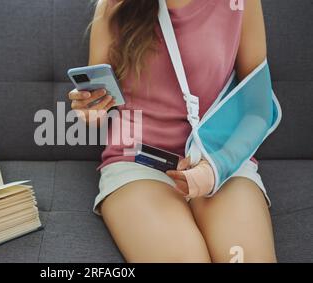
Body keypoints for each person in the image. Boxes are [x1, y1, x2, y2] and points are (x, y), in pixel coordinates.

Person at [67, 0, 276, 263]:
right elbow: (98, 102)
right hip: (139, 162)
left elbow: (258, 110)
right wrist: (91, 111)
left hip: (223, 158)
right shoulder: (113, 5)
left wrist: (215, 168)